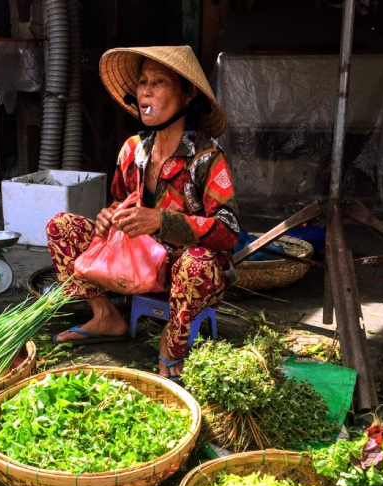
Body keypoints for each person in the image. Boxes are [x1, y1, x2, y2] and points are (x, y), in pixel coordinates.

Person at [46, 46, 240, 379]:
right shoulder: (132, 150)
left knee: (199, 262)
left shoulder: (206, 157)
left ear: (187, 94)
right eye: (142, 81)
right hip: (133, 266)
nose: (146, 90)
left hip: (183, 276)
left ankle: (173, 343)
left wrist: (163, 221)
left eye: (159, 81)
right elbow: (120, 201)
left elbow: (229, 232)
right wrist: (108, 218)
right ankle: (106, 316)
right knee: (61, 227)